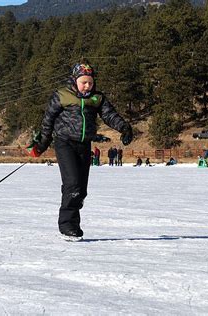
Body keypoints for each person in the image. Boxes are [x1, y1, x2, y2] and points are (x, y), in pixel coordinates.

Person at [27, 61, 133, 241]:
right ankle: (68, 225)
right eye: (84, 82)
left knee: (81, 189)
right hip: (64, 143)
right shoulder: (62, 95)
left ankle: (72, 213)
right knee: (73, 185)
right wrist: (43, 142)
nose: (87, 86)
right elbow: (48, 120)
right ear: (75, 80)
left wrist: (124, 128)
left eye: (90, 82)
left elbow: (109, 115)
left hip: (84, 145)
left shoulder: (97, 98)